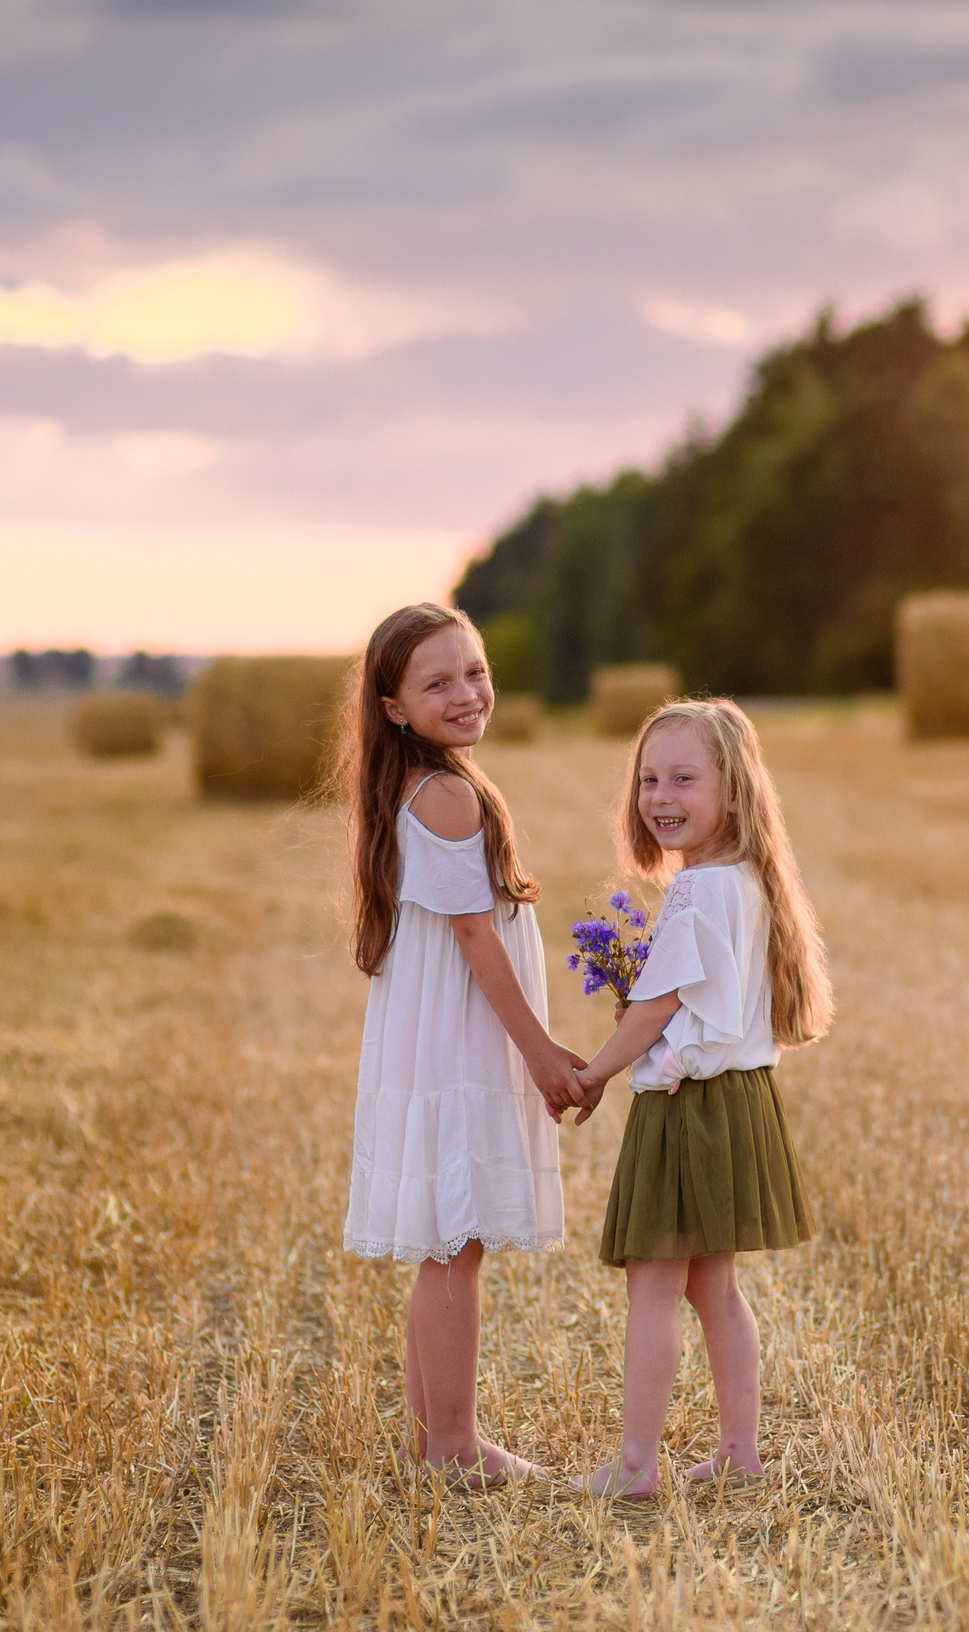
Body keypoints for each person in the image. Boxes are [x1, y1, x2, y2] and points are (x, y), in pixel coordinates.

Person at [339, 602, 589, 1485]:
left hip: (438, 1037)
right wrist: (544, 1053)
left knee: (448, 1242)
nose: (468, 692)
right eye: (438, 681)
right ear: (396, 705)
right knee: (455, 1244)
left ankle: (435, 1441)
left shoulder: (421, 783)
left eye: (475, 671)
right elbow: (479, 940)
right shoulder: (445, 794)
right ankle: (452, 1445)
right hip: (461, 1040)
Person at [572, 698, 833, 1497]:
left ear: (734, 790)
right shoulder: (747, 881)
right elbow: (689, 998)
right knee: (711, 1284)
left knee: (653, 1282)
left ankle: (637, 1465)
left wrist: (594, 1071)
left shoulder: (696, 893)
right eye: (649, 778)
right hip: (740, 1101)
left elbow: (654, 1011)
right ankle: (739, 1450)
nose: (660, 795)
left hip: (689, 1107)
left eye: (683, 777)